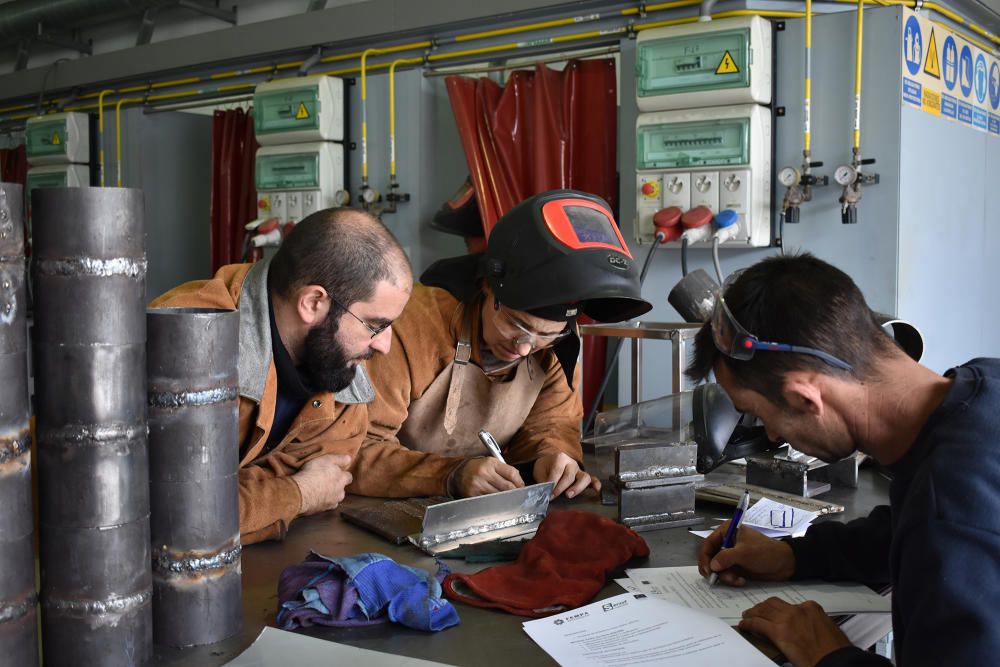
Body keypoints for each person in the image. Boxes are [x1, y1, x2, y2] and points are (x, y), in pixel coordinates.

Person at [687, 253, 1000, 666]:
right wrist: (796, 557)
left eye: (762, 416)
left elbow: (944, 531)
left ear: (805, 398)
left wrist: (829, 654)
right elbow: (912, 531)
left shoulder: (949, 513)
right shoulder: (981, 390)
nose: (774, 435)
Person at [348, 190, 652, 500]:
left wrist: (551, 458)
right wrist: (449, 475)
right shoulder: (413, 327)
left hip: (469, 514)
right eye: (516, 325)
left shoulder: (555, 348)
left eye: (545, 335)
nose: (524, 348)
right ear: (487, 287)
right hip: (378, 508)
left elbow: (553, 425)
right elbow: (354, 450)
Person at [151, 208, 413, 544]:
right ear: (313, 302)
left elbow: (325, 475)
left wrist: (248, 497)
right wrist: (297, 494)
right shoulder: (187, 338)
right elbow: (174, 514)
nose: (386, 346)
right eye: (375, 326)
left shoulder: (341, 376)